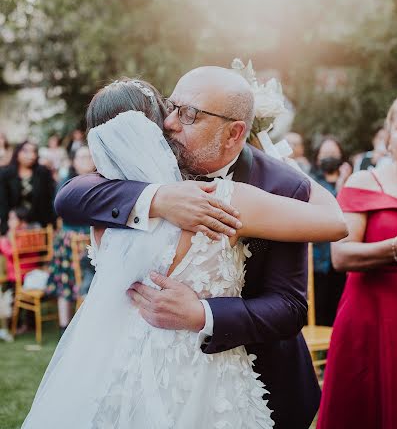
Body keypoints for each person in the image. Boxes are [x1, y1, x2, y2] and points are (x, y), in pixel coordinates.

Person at [51, 70, 347, 429]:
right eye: (171, 107)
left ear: (235, 133)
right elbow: (70, 195)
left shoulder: (279, 187)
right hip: (141, 372)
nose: (170, 123)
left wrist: (203, 314)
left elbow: (289, 306)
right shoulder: (150, 167)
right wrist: (157, 199)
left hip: (249, 376)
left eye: (189, 114)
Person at [317, 97, 397, 429]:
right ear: (390, 133)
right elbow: (341, 255)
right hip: (374, 316)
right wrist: (395, 248)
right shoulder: (365, 183)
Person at [45, 146, 95, 333]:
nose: (86, 160)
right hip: (70, 238)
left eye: (89, 156)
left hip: (92, 238)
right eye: (82, 157)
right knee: (66, 283)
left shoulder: (103, 179)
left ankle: (87, 327)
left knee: (91, 283)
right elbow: (60, 209)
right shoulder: (67, 182)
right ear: (74, 161)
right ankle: (63, 327)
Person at [309, 136, 352, 326]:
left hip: (343, 260)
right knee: (320, 310)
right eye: (325, 154)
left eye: (333, 154)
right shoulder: (312, 182)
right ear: (317, 158)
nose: (329, 158)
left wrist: (344, 182)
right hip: (319, 259)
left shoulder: (353, 182)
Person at [0, 141, 56, 235]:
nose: (31, 155)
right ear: (17, 153)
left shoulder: (43, 173)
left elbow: (49, 199)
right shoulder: (6, 174)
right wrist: (6, 226)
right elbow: (3, 202)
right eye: (26, 151)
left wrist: (52, 224)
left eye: (33, 151)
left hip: (39, 225)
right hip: (13, 226)